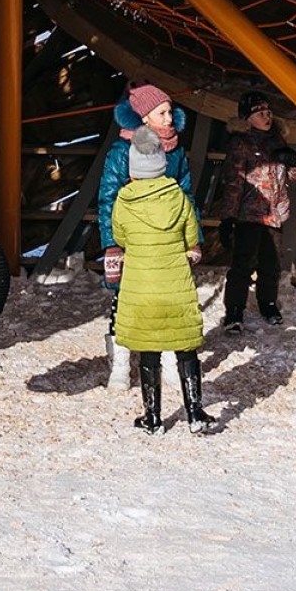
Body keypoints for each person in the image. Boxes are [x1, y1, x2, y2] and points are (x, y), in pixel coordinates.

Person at [111, 127, 208, 434]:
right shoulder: (179, 199)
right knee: (186, 350)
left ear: (134, 170)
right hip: (175, 287)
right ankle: (195, 413)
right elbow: (191, 238)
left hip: (142, 290)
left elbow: (119, 237)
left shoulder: (124, 201)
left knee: (148, 351)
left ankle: (152, 418)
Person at [99, 84, 193, 389]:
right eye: (162, 113)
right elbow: (108, 199)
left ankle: (168, 363)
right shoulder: (122, 151)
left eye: (170, 112)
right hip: (132, 238)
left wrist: (189, 239)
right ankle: (121, 364)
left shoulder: (176, 150)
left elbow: (185, 195)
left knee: (165, 302)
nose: (170, 118)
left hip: (164, 240)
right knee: (123, 302)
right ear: (143, 117)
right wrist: (112, 244)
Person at [215, 90, 296, 333]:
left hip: (274, 214)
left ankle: (267, 303)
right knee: (242, 265)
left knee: (271, 264)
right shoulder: (241, 143)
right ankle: (234, 311)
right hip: (248, 215)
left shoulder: (278, 140)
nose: (267, 116)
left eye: (268, 112)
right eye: (260, 113)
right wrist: (228, 218)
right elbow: (233, 183)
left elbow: (293, 176)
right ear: (247, 118)